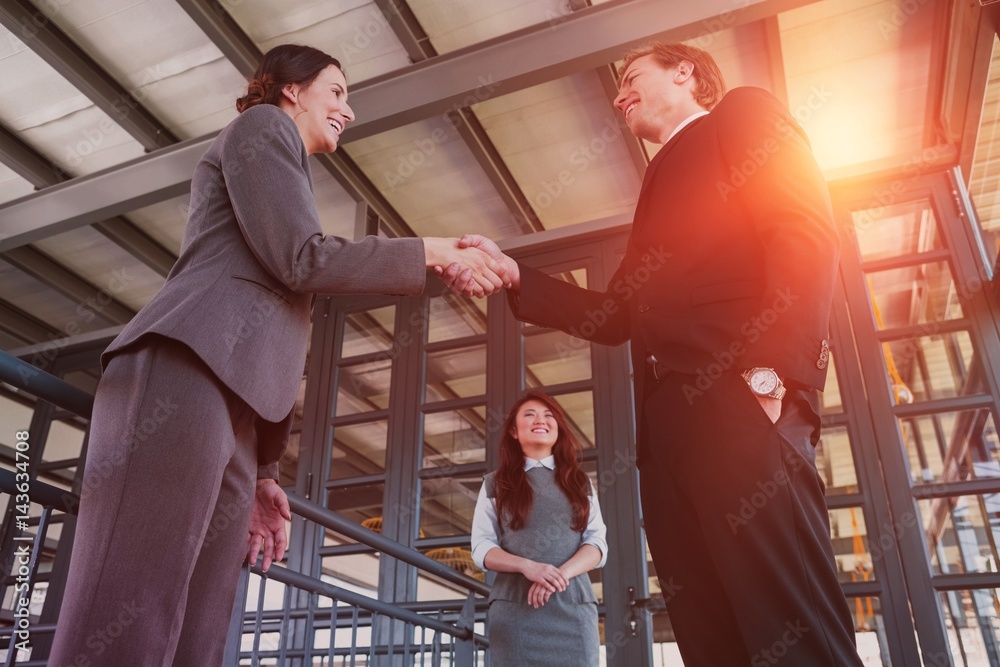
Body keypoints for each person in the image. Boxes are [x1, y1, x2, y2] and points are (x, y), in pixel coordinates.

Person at [48, 44, 506, 667]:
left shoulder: (284, 163)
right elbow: (302, 258)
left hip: (234, 409)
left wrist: (263, 474)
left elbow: (292, 278)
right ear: (291, 89)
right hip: (182, 366)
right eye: (338, 91)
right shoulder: (261, 127)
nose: (349, 109)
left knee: (201, 622)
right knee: (135, 597)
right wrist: (434, 249)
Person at [450, 43, 863, 665]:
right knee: (708, 630)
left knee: (789, 621)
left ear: (685, 73)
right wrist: (516, 277)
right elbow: (616, 315)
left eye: (631, 77)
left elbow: (803, 230)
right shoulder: (656, 182)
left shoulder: (742, 115)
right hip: (668, 437)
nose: (618, 96)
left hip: (742, 402)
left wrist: (773, 377)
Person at [471, 390, 607, 666]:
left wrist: (558, 575)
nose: (540, 420)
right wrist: (528, 567)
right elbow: (482, 547)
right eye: (529, 415)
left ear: (558, 427)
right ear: (513, 430)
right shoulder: (495, 484)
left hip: (573, 609)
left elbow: (596, 544)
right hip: (515, 612)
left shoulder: (580, 482)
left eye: (549, 415)